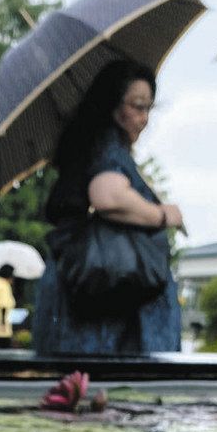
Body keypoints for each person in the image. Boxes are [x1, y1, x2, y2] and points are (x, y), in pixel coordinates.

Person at [32, 59, 184, 356]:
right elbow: (108, 195)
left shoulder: (89, 148)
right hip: (109, 309)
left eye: (149, 108)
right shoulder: (107, 147)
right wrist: (163, 215)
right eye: (138, 106)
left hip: (84, 291)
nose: (144, 118)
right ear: (112, 105)